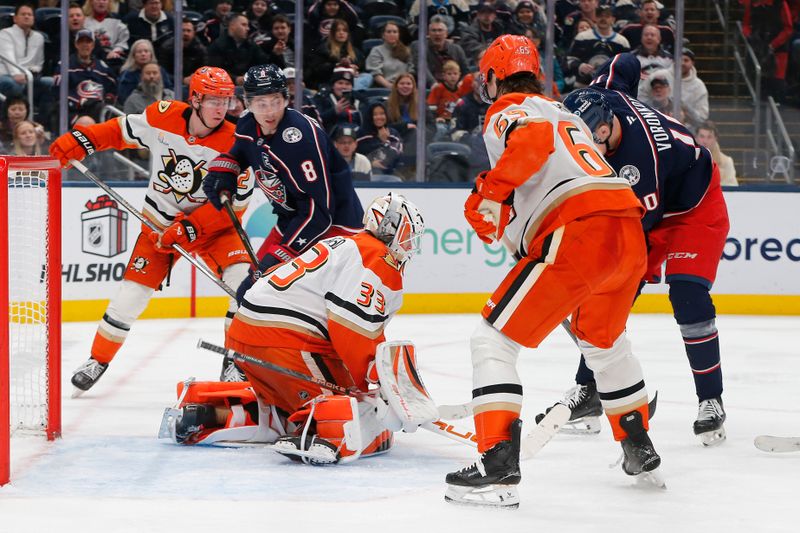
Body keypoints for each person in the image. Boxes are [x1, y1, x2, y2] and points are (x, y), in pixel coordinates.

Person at [444, 35, 659, 509]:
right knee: (604, 343)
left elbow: (532, 143)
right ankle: (638, 442)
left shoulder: (509, 108)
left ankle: (496, 460)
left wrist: (488, 192)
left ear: (495, 77)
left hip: (579, 230)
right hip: (625, 229)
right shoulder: (565, 112)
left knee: (492, 340)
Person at [166, 194, 428, 464]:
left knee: (283, 410)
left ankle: (208, 414)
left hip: (246, 335)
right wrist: (369, 384)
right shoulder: (378, 257)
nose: (409, 244)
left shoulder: (345, 243)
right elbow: (352, 328)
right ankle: (327, 436)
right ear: (392, 227)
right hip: (289, 342)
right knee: (364, 409)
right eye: (409, 234)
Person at [557, 52, 730, 447]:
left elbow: (630, 233)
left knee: (685, 292)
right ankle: (589, 391)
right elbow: (625, 61)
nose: (592, 148)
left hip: (693, 204)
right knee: (608, 297)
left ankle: (711, 400)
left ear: (607, 125)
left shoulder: (638, 164)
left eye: (596, 138)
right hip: (654, 202)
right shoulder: (603, 96)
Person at [48, 67, 252, 394]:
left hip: (216, 231)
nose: (220, 108)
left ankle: (236, 361)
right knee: (130, 296)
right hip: (159, 226)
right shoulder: (163, 116)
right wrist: (84, 140)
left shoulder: (238, 143)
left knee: (244, 285)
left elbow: (234, 209)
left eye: (226, 100)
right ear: (195, 98)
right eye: (213, 99)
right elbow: (121, 129)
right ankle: (97, 360)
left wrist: (189, 228)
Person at [202, 64, 365, 380]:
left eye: (275, 100)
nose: (269, 110)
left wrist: (284, 253)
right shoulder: (249, 124)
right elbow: (239, 152)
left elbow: (321, 210)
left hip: (336, 229)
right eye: (260, 103)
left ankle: (340, 368)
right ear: (247, 103)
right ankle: (238, 364)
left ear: (286, 98)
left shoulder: (299, 138)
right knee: (250, 290)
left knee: (316, 304)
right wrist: (225, 171)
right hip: (293, 219)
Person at [52, 29, 118, 125]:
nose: (85, 44)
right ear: (76, 45)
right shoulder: (65, 66)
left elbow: (113, 89)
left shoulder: (103, 68)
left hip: (97, 109)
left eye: (88, 41)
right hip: (73, 111)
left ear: (93, 45)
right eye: (81, 41)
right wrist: (80, 101)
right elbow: (57, 92)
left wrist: (107, 99)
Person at [566, 5, 630, 88]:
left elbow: (627, 68)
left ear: (613, 19)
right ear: (595, 17)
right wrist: (580, 66)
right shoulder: (582, 37)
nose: (603, 19)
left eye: (607, 16)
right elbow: (569, 60)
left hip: (610, 89)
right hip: (583, 87)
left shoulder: (622, 42)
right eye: (600, 16)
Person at [207, 13, 269, 85]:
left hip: (249, 84)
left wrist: (274, 53)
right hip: (224, 86)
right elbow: (214, 71)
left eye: (247, 25)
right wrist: (235, 79)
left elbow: (263, 64)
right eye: (244, 25)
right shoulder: (217, 45)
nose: (248, 28)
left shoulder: (251, 45)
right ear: (232, 26)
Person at [411, 16, 469, 86]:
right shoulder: (419, 46)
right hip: (430, 87)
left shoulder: (457, 49)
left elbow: (466, 71)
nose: (437, 33)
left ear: (446, 34)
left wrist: (461, 82)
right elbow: (422, 68)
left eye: (440, 30)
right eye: (434, 30)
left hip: (455, 87)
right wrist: (434, 84)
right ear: (428, 33)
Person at [118, 39, 172, 105]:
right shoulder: (128, 74)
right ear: (134, 55)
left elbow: (169, 90)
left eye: (146, 51)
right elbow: (124, 98)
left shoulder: (160, 71)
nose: (143, 54)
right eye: (139, 52)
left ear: (151, 54)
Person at [357, 102, 403, 175]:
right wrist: (370, 163)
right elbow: (354, 156)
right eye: (375, 114)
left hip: (391, 174)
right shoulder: (361, 134)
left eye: (382, 114)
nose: (379, 117)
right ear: (369, 116)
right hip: (364, 174)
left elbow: (395, 157)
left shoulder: (393, 134)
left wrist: (385, 141)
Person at [312, 66, 363, 132]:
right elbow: (315, 121)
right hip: (331, 137)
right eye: (340, 83)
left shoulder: (359, 99)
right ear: (333, 85)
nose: (344, 87)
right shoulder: (322, 98)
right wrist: (334, 111)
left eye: (347, 84)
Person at [365, 21, 413, 89]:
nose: (392, 34)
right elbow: (376, 73)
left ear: (398, 35)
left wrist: (405, 85)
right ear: (383, 35)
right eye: (389, 32)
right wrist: (390, 86)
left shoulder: (407, 50)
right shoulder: (376, 50)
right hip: (384, 88)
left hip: (404, 87)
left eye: (395, 32)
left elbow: (411, 71)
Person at [83, 0, 131, 69]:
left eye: (105, 0)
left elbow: (123, 41)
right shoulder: (84, 21)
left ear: (109, 2)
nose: (101, 2)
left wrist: (115, 51)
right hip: (89, 59)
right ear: (91, 2)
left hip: (111, 61)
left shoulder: (117, 20)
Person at [696, 121, 738, 186]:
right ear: (696, 138)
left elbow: (732, 188)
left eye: (709, 137)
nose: (705, 141)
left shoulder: (726, 162)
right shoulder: (688, 160)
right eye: (702, 136)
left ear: (715, 139)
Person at [678, 48, 709, 133]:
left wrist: (686, 109)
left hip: (689, 131)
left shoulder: (699, 86)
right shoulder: (661, 76)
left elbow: (702, 118)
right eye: (679, 60)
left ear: (692, 63)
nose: (682, 63)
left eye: (686, 60)